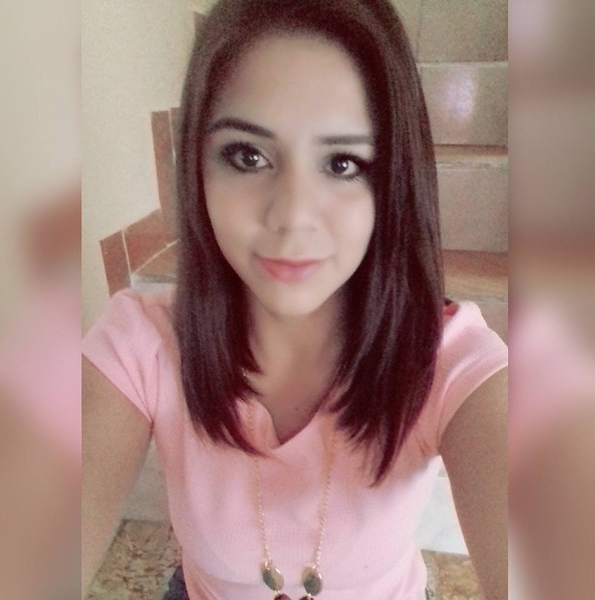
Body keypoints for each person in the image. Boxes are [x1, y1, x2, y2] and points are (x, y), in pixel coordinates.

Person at [82, 1, 507, 599]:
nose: (292, 217)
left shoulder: (447, 360)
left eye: (343, 163)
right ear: (198, 169)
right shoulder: (141, 343)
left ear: (390, 182)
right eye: (248, 156)